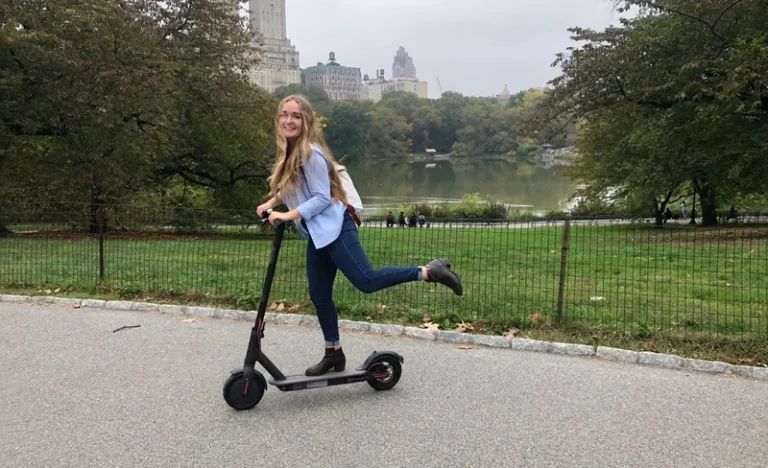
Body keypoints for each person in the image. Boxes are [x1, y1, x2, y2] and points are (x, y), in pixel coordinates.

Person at [256, 95, 463, 377]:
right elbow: (293, 187)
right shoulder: (291, 152)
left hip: (336, 226)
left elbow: (318, 198)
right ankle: (333, 354)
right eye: (284, 115)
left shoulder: (311, 153)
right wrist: (270, 204)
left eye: (296, 116)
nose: (288, 121)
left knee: (365, 280)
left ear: (306, 122)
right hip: (319, 234)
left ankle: (429, 271)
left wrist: (286, 216)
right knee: (319, 295)